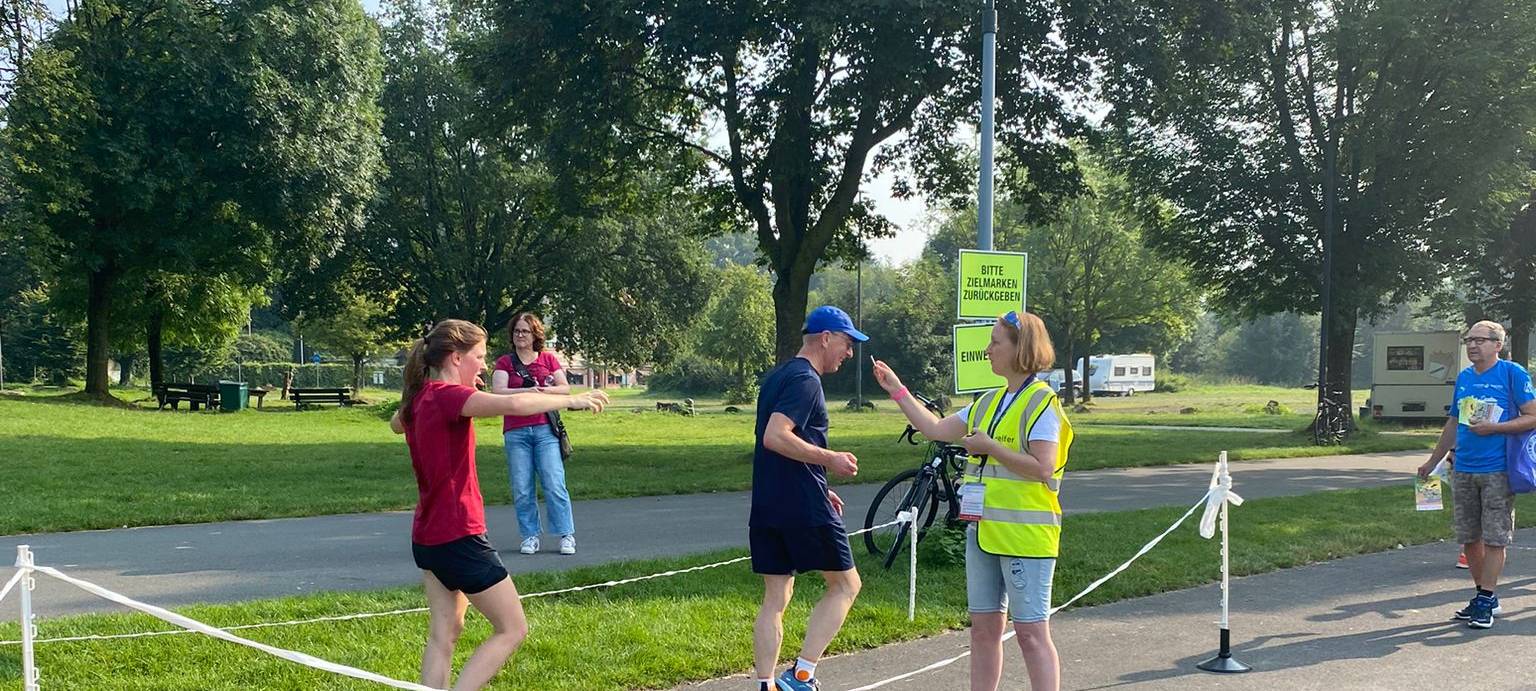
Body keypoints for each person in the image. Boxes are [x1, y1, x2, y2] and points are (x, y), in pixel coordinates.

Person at [390, 319, 609, 690]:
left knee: (445, 634)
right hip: (459, 535)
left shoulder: (420, 399)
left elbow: (397, 424)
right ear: (456, 358)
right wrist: (569, 399)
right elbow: (517, 402)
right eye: (478, 357)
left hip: (427, 539)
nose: (484, 366)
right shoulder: (446, 397)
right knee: (512, 628)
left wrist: (457, 392)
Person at [873, 310, 1073, 691]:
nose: (988, 350)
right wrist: (897, 389)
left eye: (996, 343)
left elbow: (1044, 468)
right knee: (983, 631)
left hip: (1025, 538)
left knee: (1031, 634)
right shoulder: (987, 402)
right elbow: (934, 428)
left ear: (1021, 349)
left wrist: (990, 448)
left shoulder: (1042, 403)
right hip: (982, 532)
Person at [750, 305, 866, 691]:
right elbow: (776, 437)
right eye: (847, 344)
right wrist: (829, 460)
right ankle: (801, 674)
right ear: (826, 338)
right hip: (801, 505)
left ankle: (764, 685)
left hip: (768, 501)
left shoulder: (777, 376)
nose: (849, 353)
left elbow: (783, 444)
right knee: (846, 586)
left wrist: (819, 478)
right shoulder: (807, 381)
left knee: (776, 598)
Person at [1418, 320, 1536, 630]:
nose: (1472, 345)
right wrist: (1433, 461)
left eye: (1480, 340)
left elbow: (1532, 416)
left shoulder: (1512, 374)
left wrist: (1495, 428)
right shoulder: (1465, 377)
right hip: (1464, 469)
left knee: (1496, 538)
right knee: (1469, 537)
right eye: (1469, 340)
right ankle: (1484, 596)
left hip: (1498, 469)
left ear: (1497, 345)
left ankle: (1485, 599)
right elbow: (1454, 423)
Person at [490, 312, 576, 555]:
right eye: (516, 331)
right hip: (516, 431)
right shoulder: (505, 362)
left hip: (544, 429)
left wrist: (542, 393)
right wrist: (526, 395)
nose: (520, 335)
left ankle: (565, 534)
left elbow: (564, 388)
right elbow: (497, 391)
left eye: (525, 331)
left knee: (554, 482)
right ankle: (529, 535)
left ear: (535, 334)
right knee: (522, 486)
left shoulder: (548, 360)